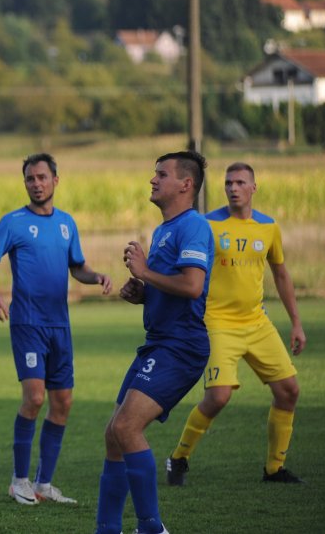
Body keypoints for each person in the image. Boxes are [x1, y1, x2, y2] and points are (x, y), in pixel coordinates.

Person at [0, 153, 113, 506]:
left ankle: (44, 484)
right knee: (35, 398)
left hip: (60, 326)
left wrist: (96, 277)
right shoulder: (13, 222)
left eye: (41, 177)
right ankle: (19, 481)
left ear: (55, 180)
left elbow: (77, 267)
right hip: (28, 324)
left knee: (62, 403)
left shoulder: (67, 223)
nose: (36, 184)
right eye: (30, 179)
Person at [166, 162, 307, 486]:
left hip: (257, 322)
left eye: (240, 182)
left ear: (253, 188)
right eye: (228, 182)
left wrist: (296, 323)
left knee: (289, 391)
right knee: (218, 397)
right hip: (217, 322)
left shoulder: (268, 227)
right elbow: (185, 270)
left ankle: (274, 469)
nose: (233, 188)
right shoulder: (207, 225)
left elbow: (281, 275)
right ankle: (178, 458)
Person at [95, 151, 214, 534]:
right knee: (114, 433)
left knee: (127, 427)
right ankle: (107, 528)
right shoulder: (164, 230)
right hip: (159, 342)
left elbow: (194, 287)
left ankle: (151, 527)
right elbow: (174, 289)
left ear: (186, 184)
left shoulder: (193, 227)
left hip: (181, 346)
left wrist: (144, 271)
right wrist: (143, 292)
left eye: (161, 174)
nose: (152, 180)